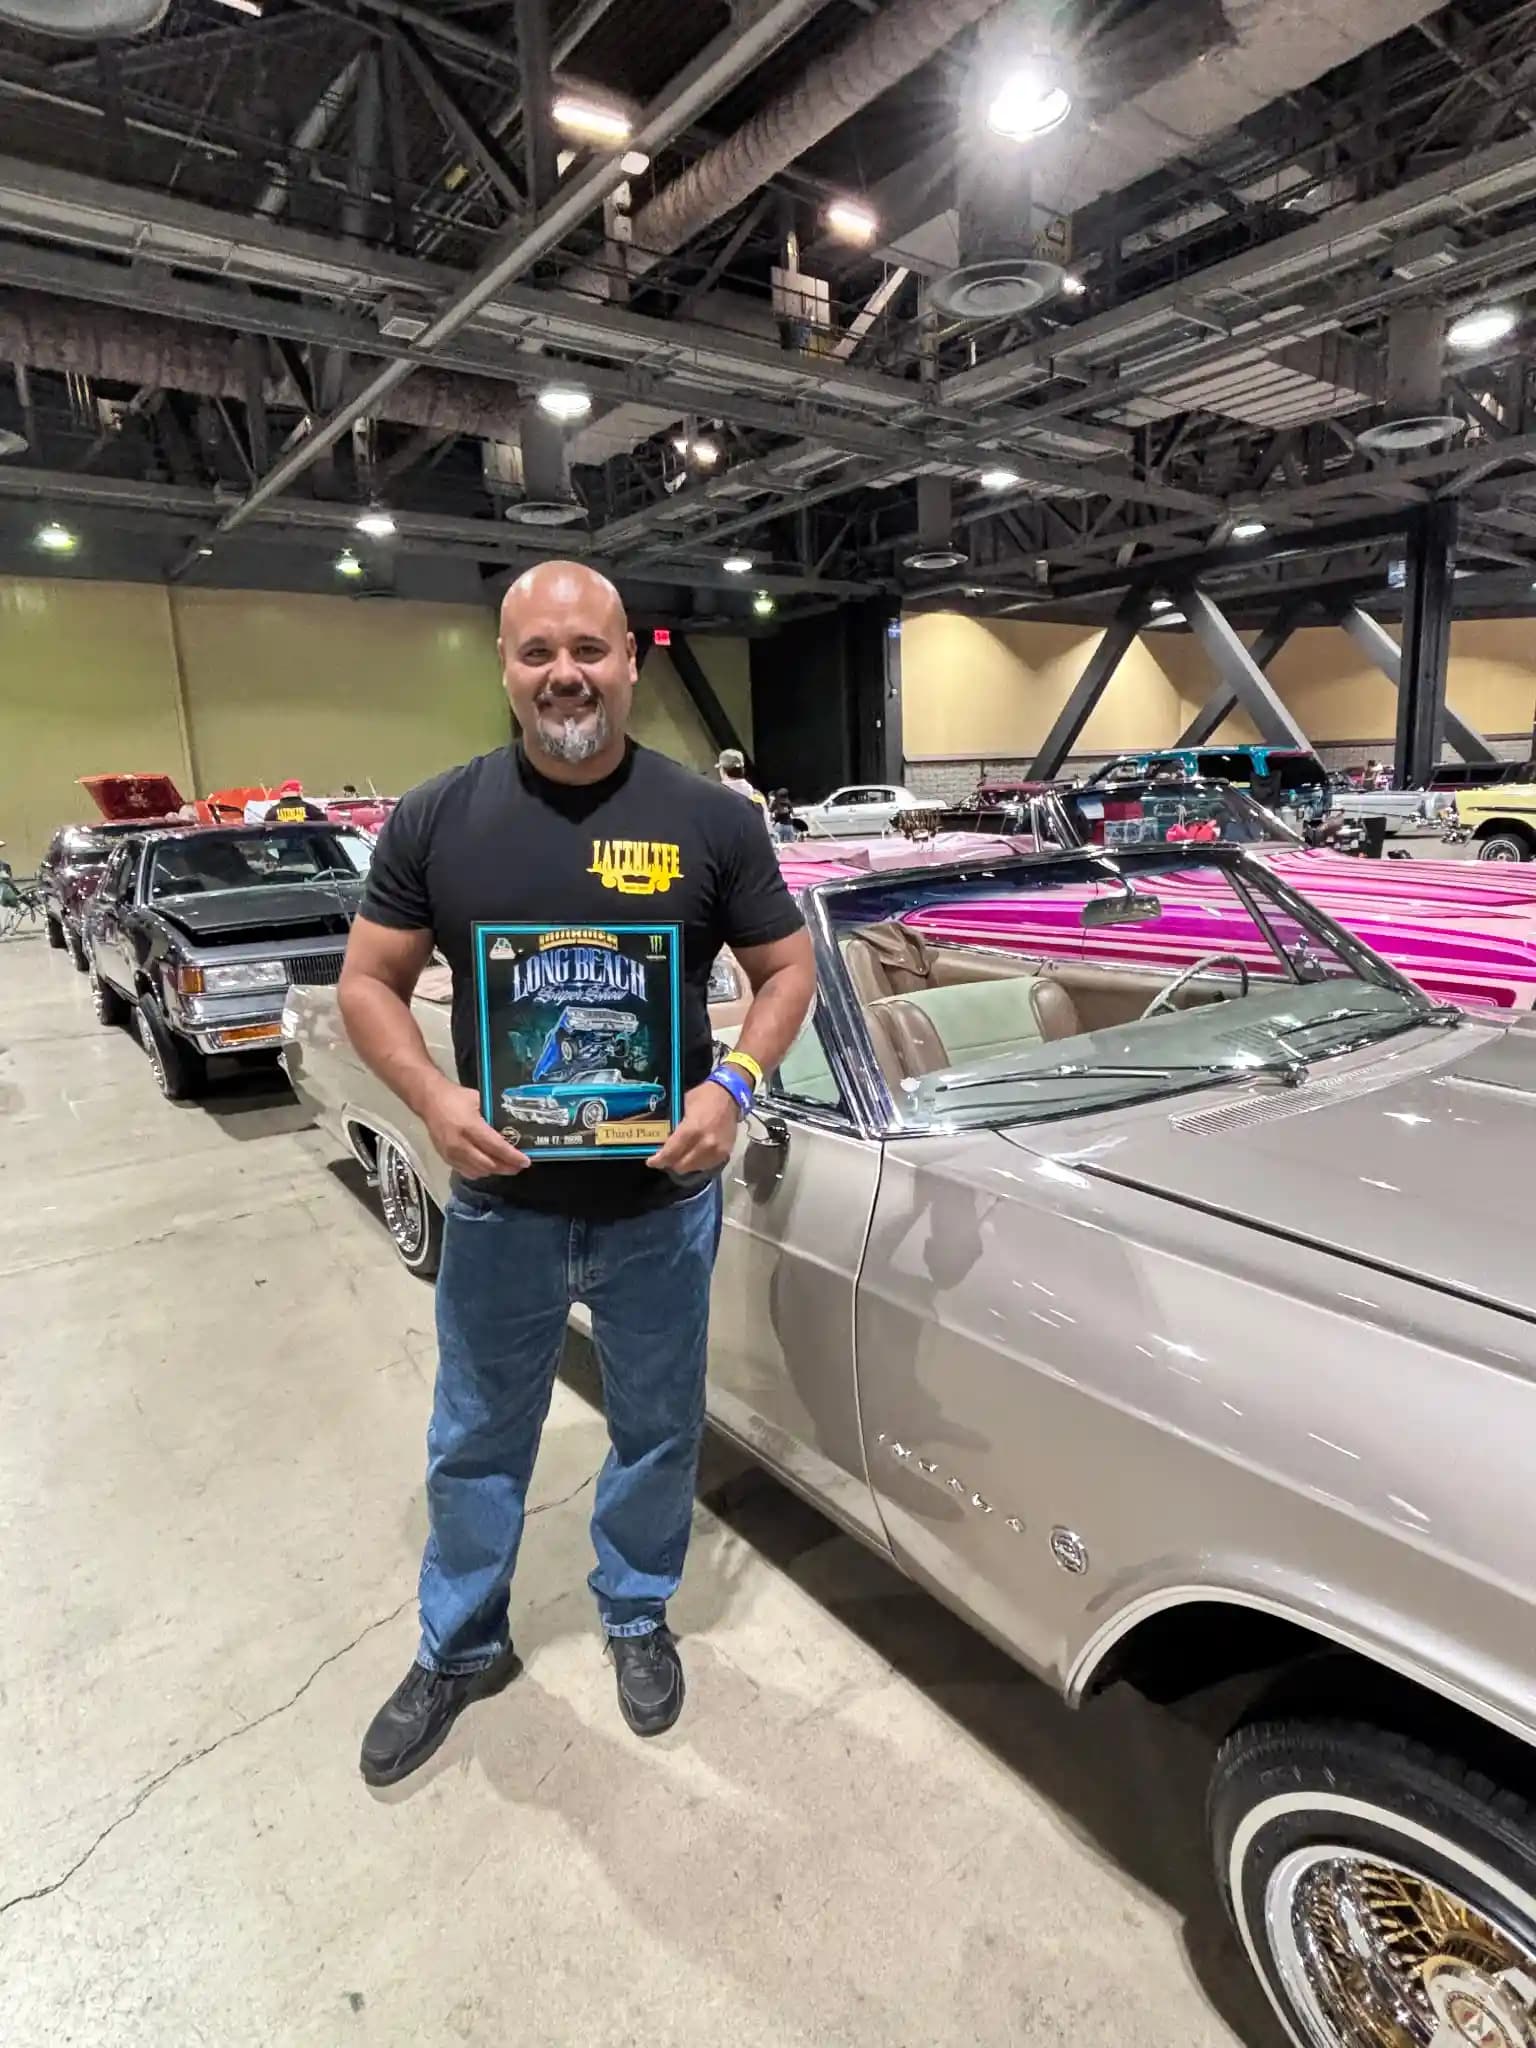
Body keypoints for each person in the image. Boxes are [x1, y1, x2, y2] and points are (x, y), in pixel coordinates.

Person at [339, 561, 815, 1785]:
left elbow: (787, 970)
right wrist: (434, 1098)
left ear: (631, 661)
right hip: (503, 1203)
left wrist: (733, 1086)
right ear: (504, 665)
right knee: (476, 1433)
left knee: (657, 1425)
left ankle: (636, 1608)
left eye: (589, 649)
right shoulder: (437, 819)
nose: (566, 673)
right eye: (539, 651)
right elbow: (366, 982)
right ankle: (459, 1641)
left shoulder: (711, 818)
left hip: (661, 1204)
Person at [715, 747, 770, 827]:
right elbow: (767, 826)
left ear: (722, 770)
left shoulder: (716, 795)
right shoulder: (757, 795)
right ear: (743, 770)